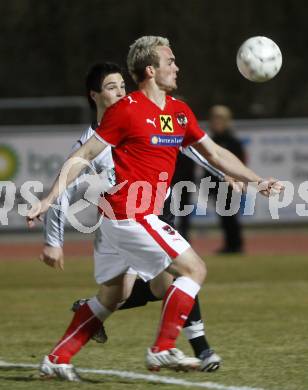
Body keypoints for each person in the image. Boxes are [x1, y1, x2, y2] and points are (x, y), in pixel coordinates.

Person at [27, 36, 283, 380]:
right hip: (131, 215)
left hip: (117, 221)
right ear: (151, 69)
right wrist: (48, 198)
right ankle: (162, 348)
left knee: (114, 295)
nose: (176, 67)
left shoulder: (178, 112)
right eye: (170, 61)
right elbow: (83, 156)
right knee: (194, 270)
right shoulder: (127, 110)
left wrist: (257, 179)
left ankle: (58, 358)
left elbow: (216, 154)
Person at [41, 62, 231, 380]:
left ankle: (58, 357)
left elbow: (198, 150)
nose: (120, 91)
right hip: (123, 222)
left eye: (121, 85)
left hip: (131, 221)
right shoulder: (92, 143)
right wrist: (53, 241)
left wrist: (229, 174)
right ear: (94, 96)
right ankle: (169, 347)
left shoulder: (137, 119)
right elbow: (63, 189)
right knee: (183, 274)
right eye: (111, 87)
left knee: (122, 294)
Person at [207, 105, 245, 253]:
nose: (216, 123)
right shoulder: (211, 140)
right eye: (214, 119)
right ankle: (229, 244)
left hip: (231, 185)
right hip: (215, 185)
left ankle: (236, 244)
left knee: (231, 216)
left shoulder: (233, 141)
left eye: (220, 119)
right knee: (223, 217)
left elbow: (240, 163)